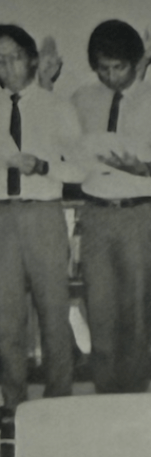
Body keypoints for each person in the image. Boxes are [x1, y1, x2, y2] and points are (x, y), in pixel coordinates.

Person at [71, 19, 151, 394]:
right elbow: (67, 151)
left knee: (136, 311)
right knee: (99, 309)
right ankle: (105, 391)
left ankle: (134, 394)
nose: (111, 76)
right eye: (103, 68)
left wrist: (144, 167)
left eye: (119, 68)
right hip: (97, 214)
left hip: (140, 214)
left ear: (136, 63)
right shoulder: (82, 99)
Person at [0, 25, 83, 411]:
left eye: (14, 56)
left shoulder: (57, 108)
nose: (7, 66)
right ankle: (14, 407)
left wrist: (42, 165)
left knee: (53, 313)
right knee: (6, 322)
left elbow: (80, 170)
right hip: (2, 220)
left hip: (44, 215)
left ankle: (58, 404)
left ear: (32, 60)